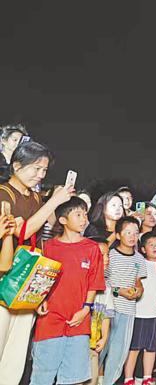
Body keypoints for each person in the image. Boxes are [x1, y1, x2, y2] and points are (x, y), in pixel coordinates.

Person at [0, 140, 73, 385]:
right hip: (4, 279)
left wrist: (39, 291)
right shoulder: (3, 193)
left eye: (44, 170)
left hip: (25, 283)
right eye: (36, 168)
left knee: (16, 353)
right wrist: (53, 202)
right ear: (17, 166)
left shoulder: (34, 197)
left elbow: (39, 240)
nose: (41, 175)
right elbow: (22, 232)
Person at [30, 197, 105, 385]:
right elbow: (41, 280)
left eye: (85, 214)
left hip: (79, 321)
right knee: (42, 376)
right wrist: (39, 301)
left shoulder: (92, 248)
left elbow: (94, 282)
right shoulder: (48, 247)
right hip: (49, 321)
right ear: (63, 220)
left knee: (75, 377)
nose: (84, 219)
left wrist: (86, 309)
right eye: (78, 214)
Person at [124, 232, 156, 385]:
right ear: (143, 249)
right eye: (151, 244)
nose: (155, 247)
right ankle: (128, 378)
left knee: (151, 348)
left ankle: (147, 377)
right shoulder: (139, 264)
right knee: (134, 348)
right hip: (139, 313)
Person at [102, 216, 147, 385]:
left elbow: (138, 281)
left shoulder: (139, 258)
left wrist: (139, 290)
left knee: (119, 353)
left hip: (128, 311)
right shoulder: (110, 256)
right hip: (107, 309)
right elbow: (104, 284)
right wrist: (119, 291)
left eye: (135, 233)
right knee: (100, 349)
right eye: (128, 232)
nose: (132, 236)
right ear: (118, 235)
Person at [87, 237, 114, 385]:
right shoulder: (81, 281)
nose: (107, 259)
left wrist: (104, 337)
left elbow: (106, 314)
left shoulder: (107, 286)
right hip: (77, 340)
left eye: (107, 255)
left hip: (94, 341)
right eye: (102, 255)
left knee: (93, 378)